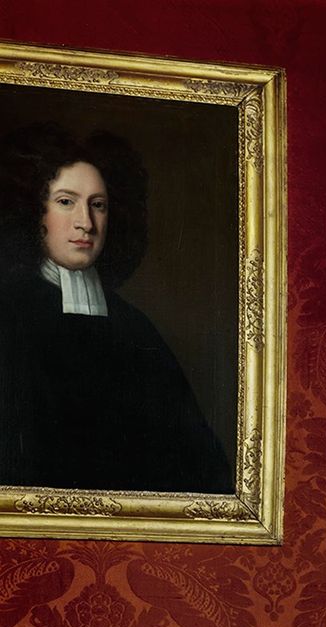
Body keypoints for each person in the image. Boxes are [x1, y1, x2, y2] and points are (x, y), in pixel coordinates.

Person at [0, 122, 232, 494]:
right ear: (31, 210)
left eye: (98, 205)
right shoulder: (8, 314)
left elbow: (200, 465)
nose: (85, 223)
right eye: (65, 201)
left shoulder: (136, 328)